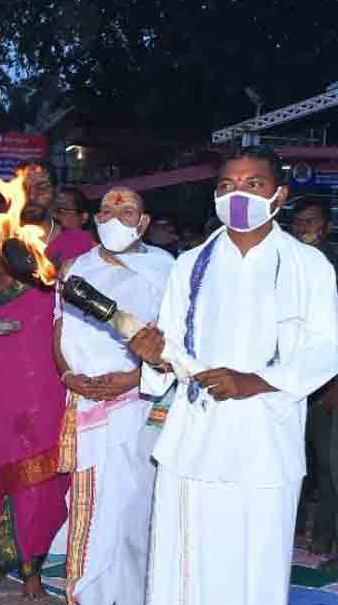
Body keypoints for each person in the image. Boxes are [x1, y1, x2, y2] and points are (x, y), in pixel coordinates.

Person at [129, 146, 338, 604]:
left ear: (279, 196)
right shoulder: (189, 266)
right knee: (184, 560)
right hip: (195, 439)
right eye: (226, 185)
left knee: (254, 563)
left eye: (253, 184)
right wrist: (155, 356)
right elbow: (171, 350)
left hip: (265, 437)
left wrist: (254, 382)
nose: (237, 194)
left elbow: (327, 349)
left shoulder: (309, 267)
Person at [0, 161, 94, 598]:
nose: (36, 192)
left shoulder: (78, 247)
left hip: (52, 369)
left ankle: (34, 568)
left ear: (56, 194)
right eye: (29, 185)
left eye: (44, 186)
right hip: (1, 367)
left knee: (42, 468)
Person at [53, 186, 173, 605]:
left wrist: (132, 378)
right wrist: (69, 375)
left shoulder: (166, 269)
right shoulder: (75, 269)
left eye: (127, 211)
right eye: (106, 210)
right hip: (88, 404)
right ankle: (86, 595)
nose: (114, 217)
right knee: (93, 510)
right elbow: (59, 333)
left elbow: (173, 342)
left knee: (138, 508)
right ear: (95, 219)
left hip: (143, 405)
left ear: (143, 222)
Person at [291, 196, 338, 555]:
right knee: (298, 460)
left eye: (312, 222)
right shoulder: (287, 263)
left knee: (329, 464)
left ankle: (326, 539)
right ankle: (297, 533)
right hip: (290, 382)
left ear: (326, 226)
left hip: (328, 385)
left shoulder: (333, 264)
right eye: (300, 222)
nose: (305, 229)